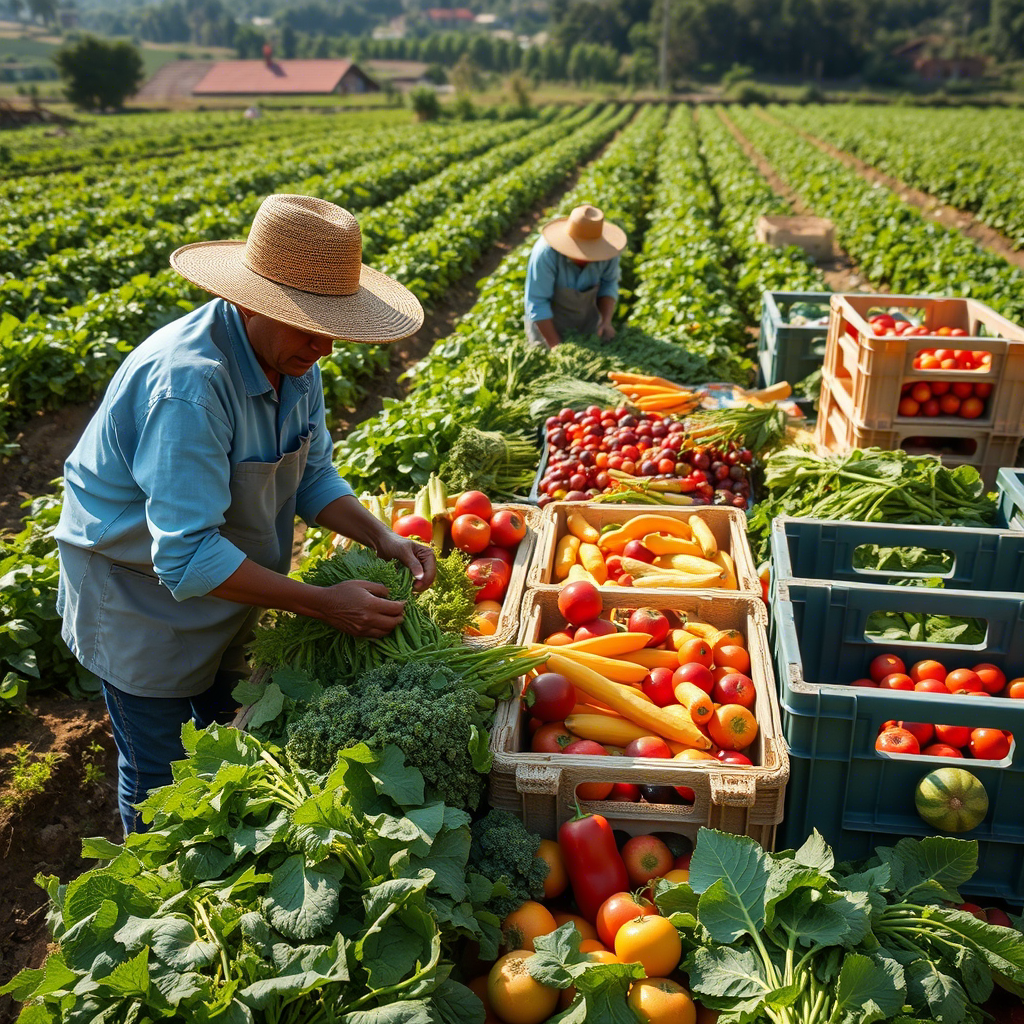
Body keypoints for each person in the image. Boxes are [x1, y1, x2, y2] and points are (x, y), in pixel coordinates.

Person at [55, 193, 435, 835]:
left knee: (228, 743)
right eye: (307, 326)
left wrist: (382, 535)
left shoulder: (295, 359)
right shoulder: (190, 386)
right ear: (252, 302)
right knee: (159, 779)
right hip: (138, 601)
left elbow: (311, 474)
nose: (325, 347)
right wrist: (323, 601)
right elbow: (183, 554)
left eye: (332, 327)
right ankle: (153, 913)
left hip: (235, 582)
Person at [523, 203, 627, 349]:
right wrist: (556, 347)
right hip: (547, 328)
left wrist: (606, 322)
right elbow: (537, 303)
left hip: (586, 324)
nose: (584, 257)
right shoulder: (546, 254)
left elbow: (609, 284)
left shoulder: (608, 253)